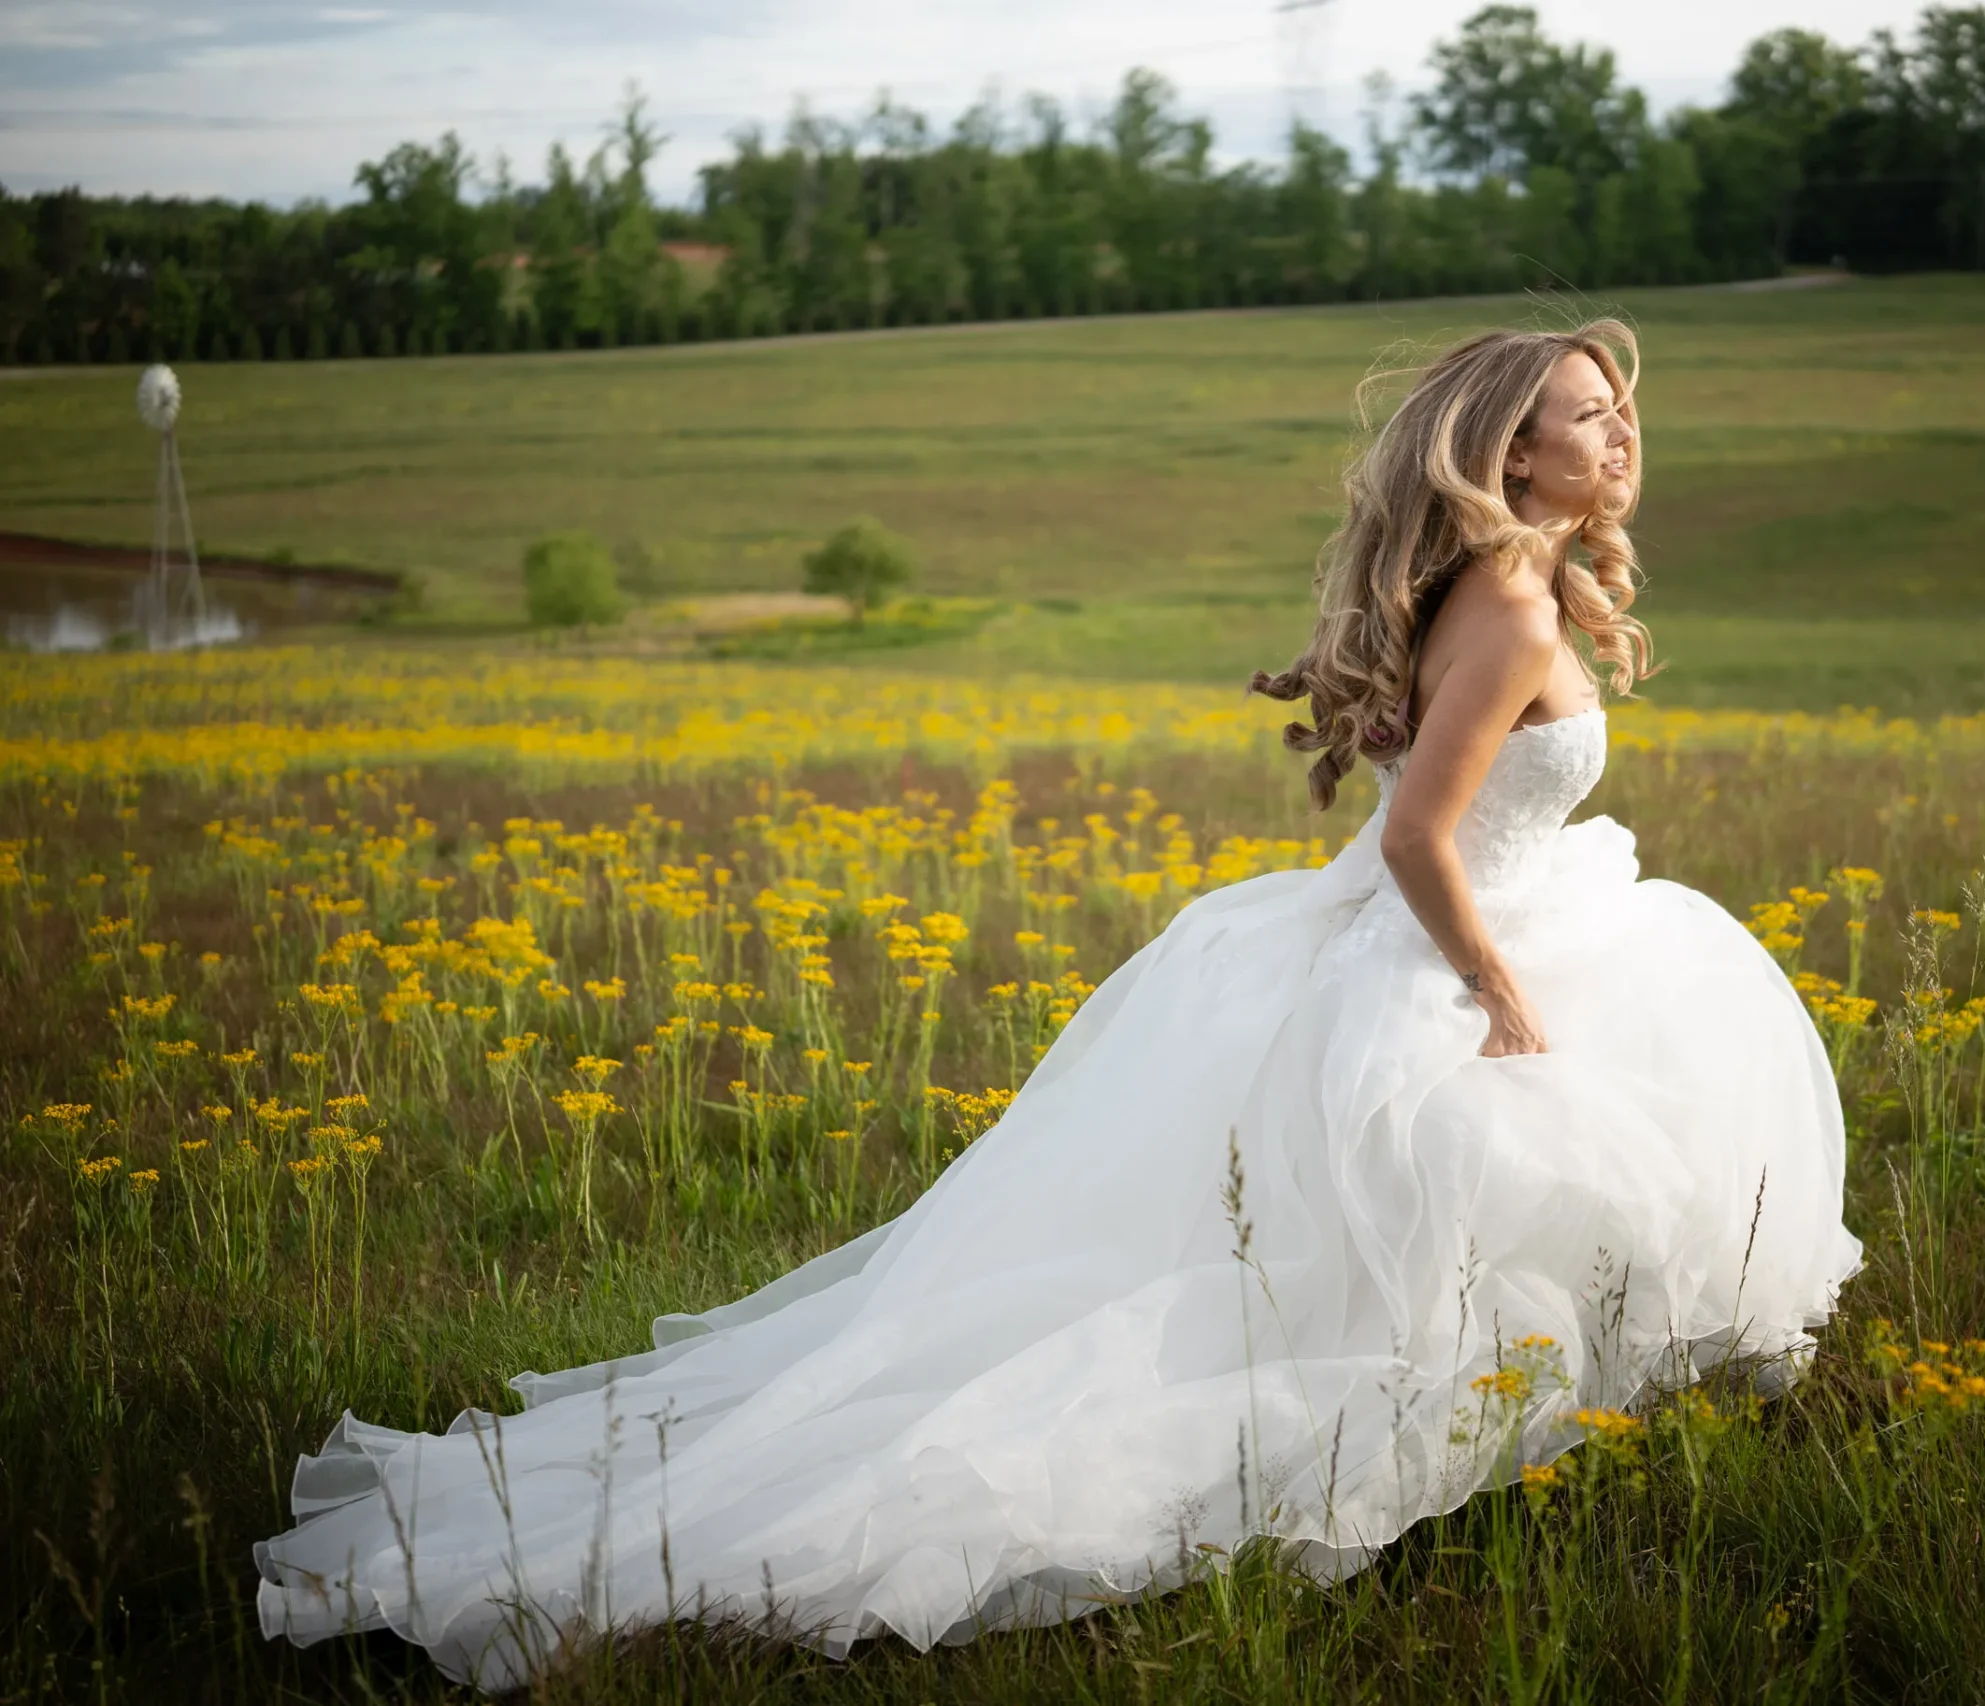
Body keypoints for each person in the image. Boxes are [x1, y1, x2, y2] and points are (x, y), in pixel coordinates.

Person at [255, 318, 1863, 1689]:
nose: (1624, 433)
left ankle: (1517, 1472)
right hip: (1455, 942)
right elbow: (1419, 836)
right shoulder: (1511, 607)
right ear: (1515, 455)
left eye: (1621, 407)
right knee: (1429, 1233)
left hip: (1476, 923)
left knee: (1446, 1237)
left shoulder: (1508, 582)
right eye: (1591, 413)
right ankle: (1422, 1503)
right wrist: (1501, 998)